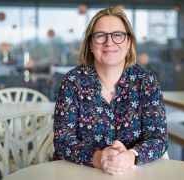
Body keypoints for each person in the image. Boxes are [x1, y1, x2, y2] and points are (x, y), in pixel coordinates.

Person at [53, 7, 168, 175]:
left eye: (118, 35)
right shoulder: (73, 81)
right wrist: (99, 158)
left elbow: (158, 139)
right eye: (100, 36)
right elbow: (62, 141)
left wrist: (129, 157)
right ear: (91, 44)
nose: (109, 43)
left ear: (129, 42)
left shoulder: (146, 82)